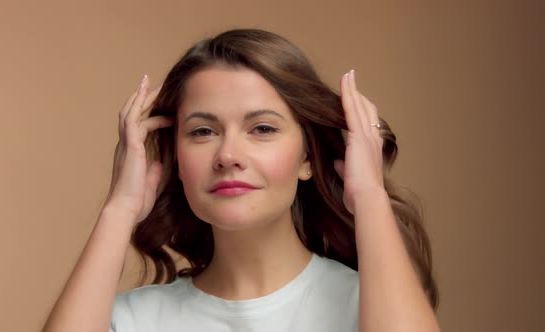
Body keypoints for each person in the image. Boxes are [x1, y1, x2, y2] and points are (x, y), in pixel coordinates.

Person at [42, 29, 441, 332]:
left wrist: (369, 195)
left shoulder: (370, 305)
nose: (228, 156)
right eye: (202, 132)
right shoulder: (134, 320)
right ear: (176, 160)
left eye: (262, 129)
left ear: (307, 158)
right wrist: (120, 209)